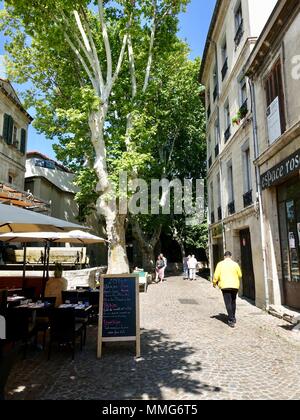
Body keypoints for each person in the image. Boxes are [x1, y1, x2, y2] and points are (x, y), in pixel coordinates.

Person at [213, 251, 242, 328]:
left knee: (228, 302)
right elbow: (240, 274)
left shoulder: (220, 264)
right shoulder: (235, 264)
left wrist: (214, 283)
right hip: (235, 286)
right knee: (233, 301)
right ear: (231, 256)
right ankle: (233, 317)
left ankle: (231, 319)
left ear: (224, 256)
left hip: (225, 285)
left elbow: (216, 275)